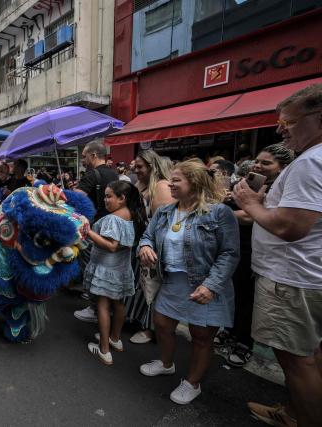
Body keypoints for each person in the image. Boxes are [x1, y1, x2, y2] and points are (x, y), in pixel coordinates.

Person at [233, 84, 322, 426]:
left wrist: (251, 203)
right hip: (305, 276)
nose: (280, 129)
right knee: (311, 357)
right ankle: (294, 412)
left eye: (289, 122)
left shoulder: (310, 162)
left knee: (298, 362)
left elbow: (290, 226)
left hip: (292, 279)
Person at [138, 161, 239, 405]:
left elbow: (229, 253)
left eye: (176, 180)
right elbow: (147, 235)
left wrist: (211, 285)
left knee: (201, 336)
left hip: (205, 285)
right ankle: (166, 363)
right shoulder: (164, 212)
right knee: (161, 324)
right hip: (172, 281)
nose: (169, 184)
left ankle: (192, 383)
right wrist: (146, 247)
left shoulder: (219, 213)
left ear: (194, 183)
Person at [216, 144, 294, 368]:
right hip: (239, 245)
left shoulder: (281, 188)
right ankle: (229, 332)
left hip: (263, 254)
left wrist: (225, 213)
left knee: (248, 298)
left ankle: (243, 342)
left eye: (266, 163)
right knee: (234, 292)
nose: (259, 166)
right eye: (258, 161)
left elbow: (254, 217)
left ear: (283, 167)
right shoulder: (252, 182)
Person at [86, 181, 147, 365]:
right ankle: (115, 338)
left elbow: (111, 246)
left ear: (122, 199)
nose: (105, 200)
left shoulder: (113, 219)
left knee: (103, 306)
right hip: (121, 269)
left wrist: (87, 230)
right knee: (119, 304)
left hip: (107, 269)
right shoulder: (132, 216)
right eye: (105, 195)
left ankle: (104, 350)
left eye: (109, 196)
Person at [124, 150, 174, 344]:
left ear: (152, 167)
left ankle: (150, 330)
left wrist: (150, 246)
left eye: (140, 167)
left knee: (152, 288)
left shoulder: (161, 186)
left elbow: (162, 224)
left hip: (153, 246)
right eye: (135, 167)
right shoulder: (140, 184)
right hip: (139, 243)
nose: (136, 170)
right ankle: (138, 322)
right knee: (141, 286)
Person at [73, 140, 119, 323]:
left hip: (93, 228)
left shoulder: (92, 174)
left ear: (93, 155)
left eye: (84, 156)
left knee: (90, 266)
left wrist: (71, 191)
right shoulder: (114, 174)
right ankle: (103, 305)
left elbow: (77, 198)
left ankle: (94, 307)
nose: (83, 160)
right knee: (104, 268)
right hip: (111, 226)